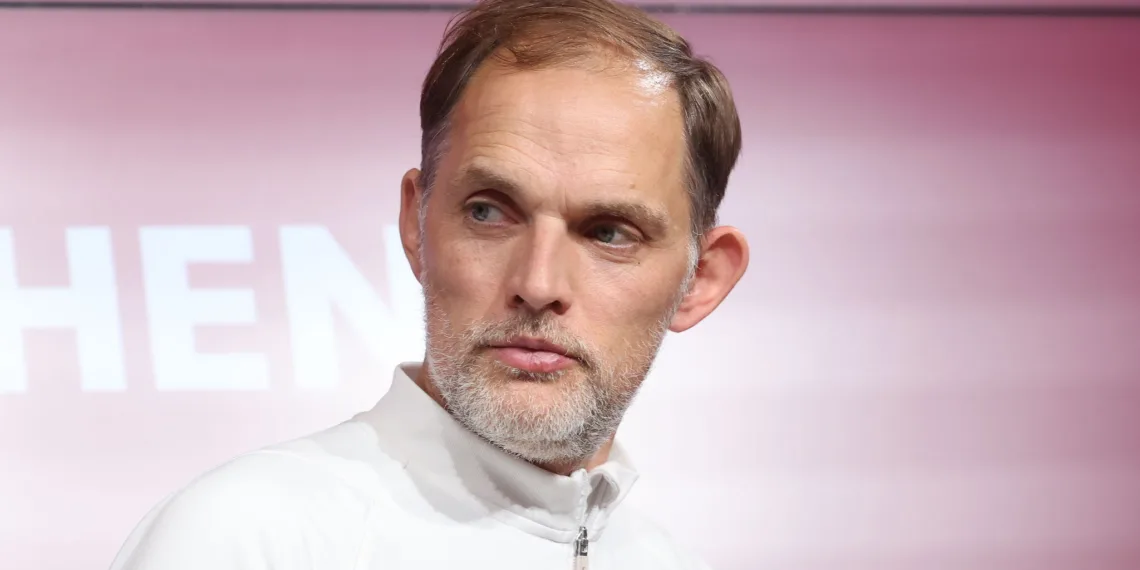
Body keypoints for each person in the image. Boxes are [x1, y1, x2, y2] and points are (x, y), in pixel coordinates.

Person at [109, 0, 748, 568]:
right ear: (417, 224)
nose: (537, 282)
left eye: (609, 232)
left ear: (701, 279)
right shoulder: (247, 540)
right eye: (489, 211)